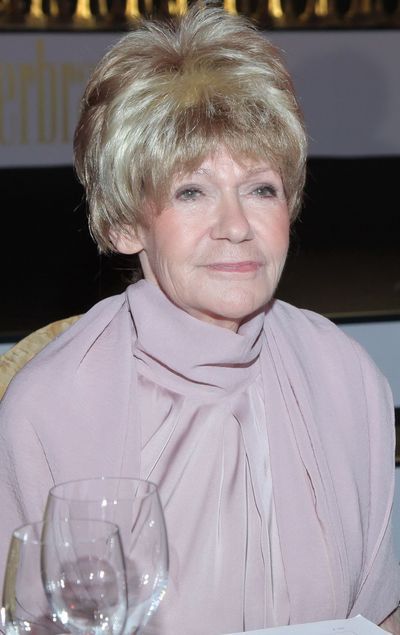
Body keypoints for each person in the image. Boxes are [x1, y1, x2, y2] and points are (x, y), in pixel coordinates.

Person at [0, 4, 399, 634]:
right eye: (192, 191)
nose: (236, 225)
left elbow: (382, 616)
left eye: (261, 188)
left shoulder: (345, 376)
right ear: (125, 224)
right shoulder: (50, 408)